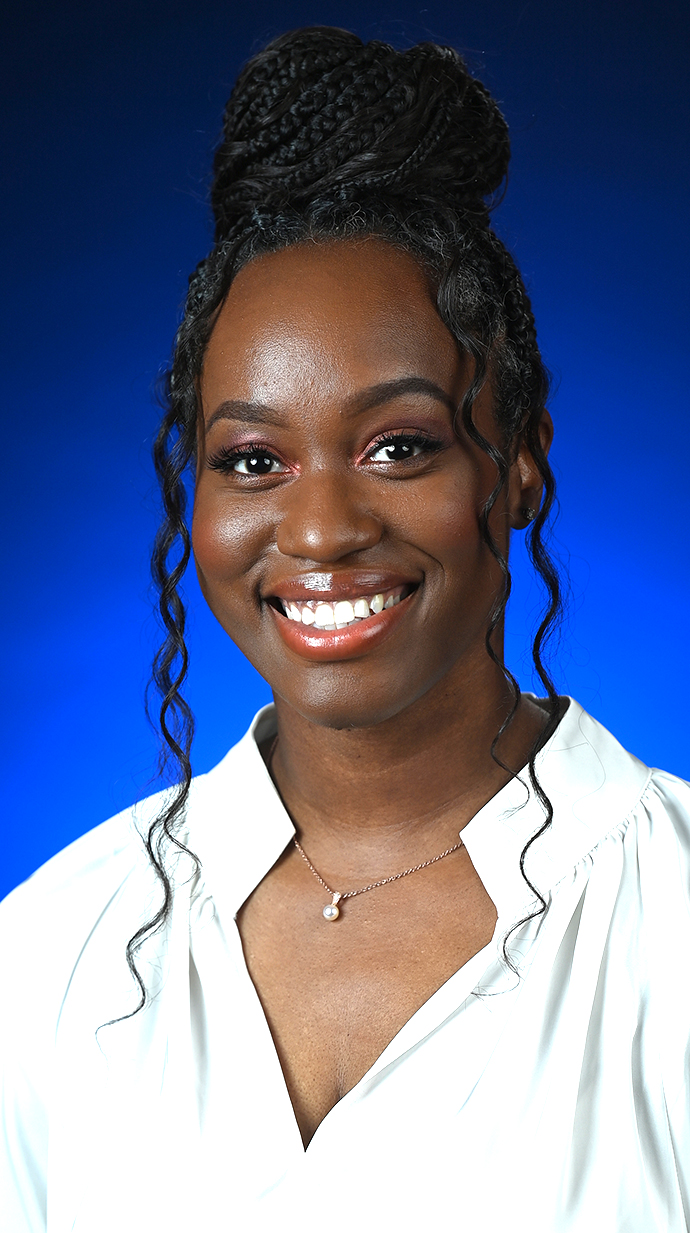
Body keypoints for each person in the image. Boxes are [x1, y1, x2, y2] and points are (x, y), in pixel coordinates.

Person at [2, 25, 689, 1233]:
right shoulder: (51, 951)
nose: (320, 529)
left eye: (399, 446)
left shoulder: (668, 923)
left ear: (521, 463)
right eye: (253, 459)